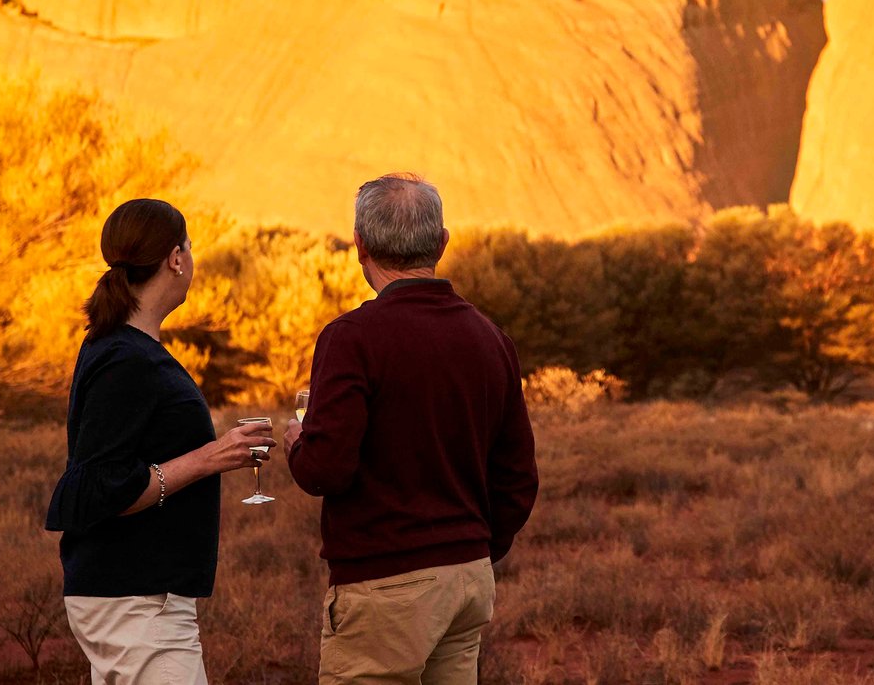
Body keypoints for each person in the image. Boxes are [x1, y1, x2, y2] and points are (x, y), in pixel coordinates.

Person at [284, 174, 538, 685]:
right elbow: (518, 479)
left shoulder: (351, 338)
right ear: (442, 242)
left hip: (385, 586)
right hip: (467, 579)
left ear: (359, 245)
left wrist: (297, 444)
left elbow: (326, 470)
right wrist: (474, 549)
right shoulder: (491, 339)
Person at [45, 198, 276, 685]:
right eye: (189, 248)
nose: (190, 260)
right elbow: (102, 487)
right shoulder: (127, 361)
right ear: (175, 258)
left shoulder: (119, 348)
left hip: (133, 597)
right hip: (137, 602)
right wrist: (213, 456)